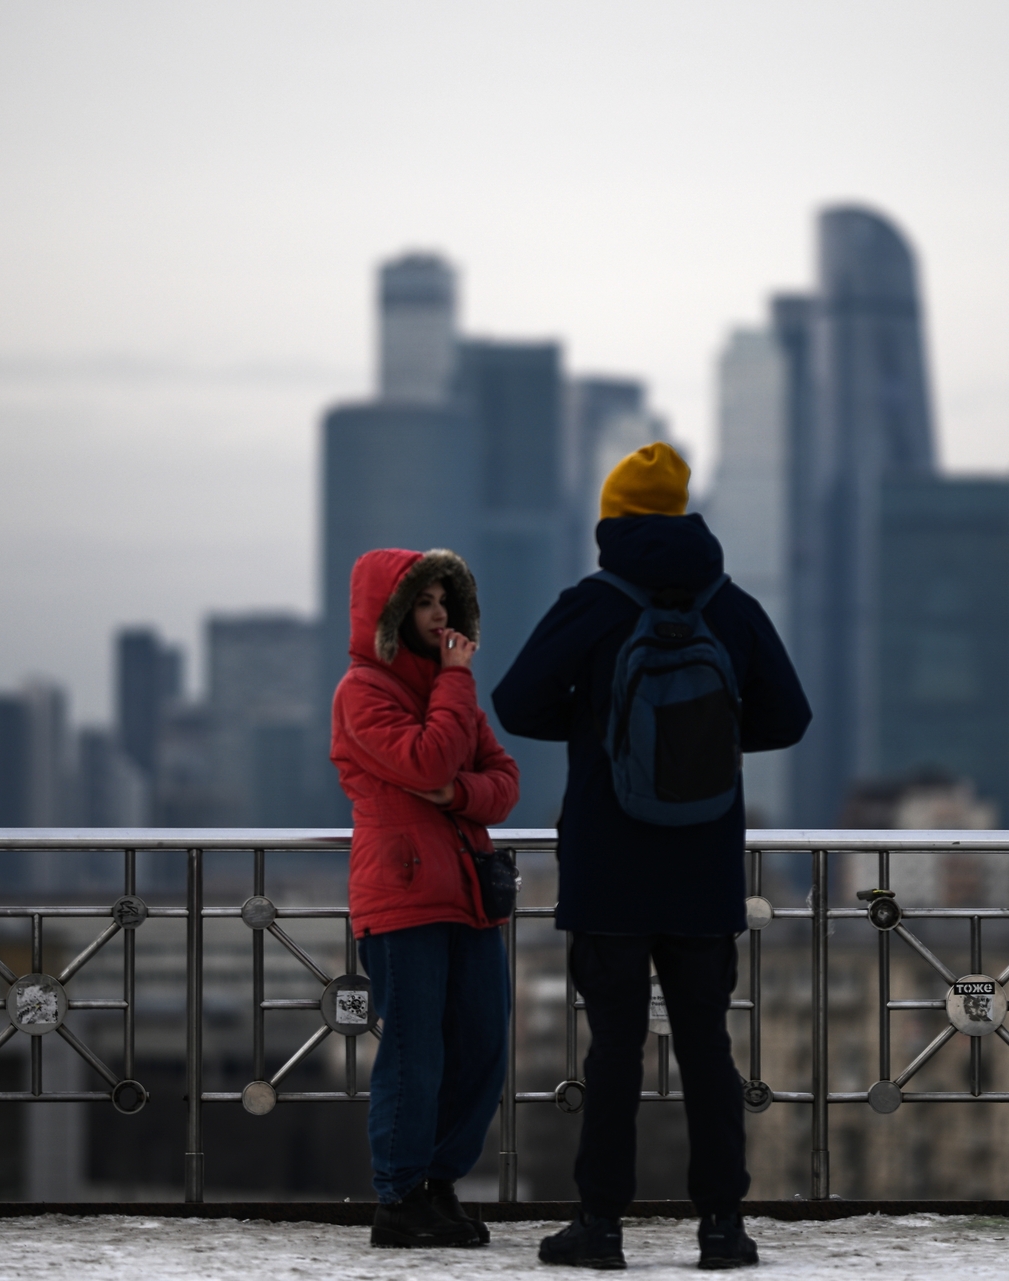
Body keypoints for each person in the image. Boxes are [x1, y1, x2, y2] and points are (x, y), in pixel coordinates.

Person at [494, 442, 811, 1271]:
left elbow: (516, 699)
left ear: (613, 519)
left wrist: (600, 726)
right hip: (704, 865)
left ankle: (600, 1227)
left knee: (613, 1051)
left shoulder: (593, 603)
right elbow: (791, 717)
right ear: (682, 513)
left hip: (609, 866)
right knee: (707, 1045)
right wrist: (707, 735)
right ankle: (722, 1228)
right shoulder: (729, 605)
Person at [331, 547, 520, 1248]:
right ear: (390, 613)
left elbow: (502, 777)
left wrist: (458, 793)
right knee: (416, 1052)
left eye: (445, 601)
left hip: (469, 890)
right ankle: (399, 1196)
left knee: (481, 1041)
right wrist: (454, 688)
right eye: (423, 603)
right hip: (404, 892)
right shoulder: (363, 690)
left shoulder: (452, 687)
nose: (440, 615)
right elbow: (429, 758)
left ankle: (439, 1184)